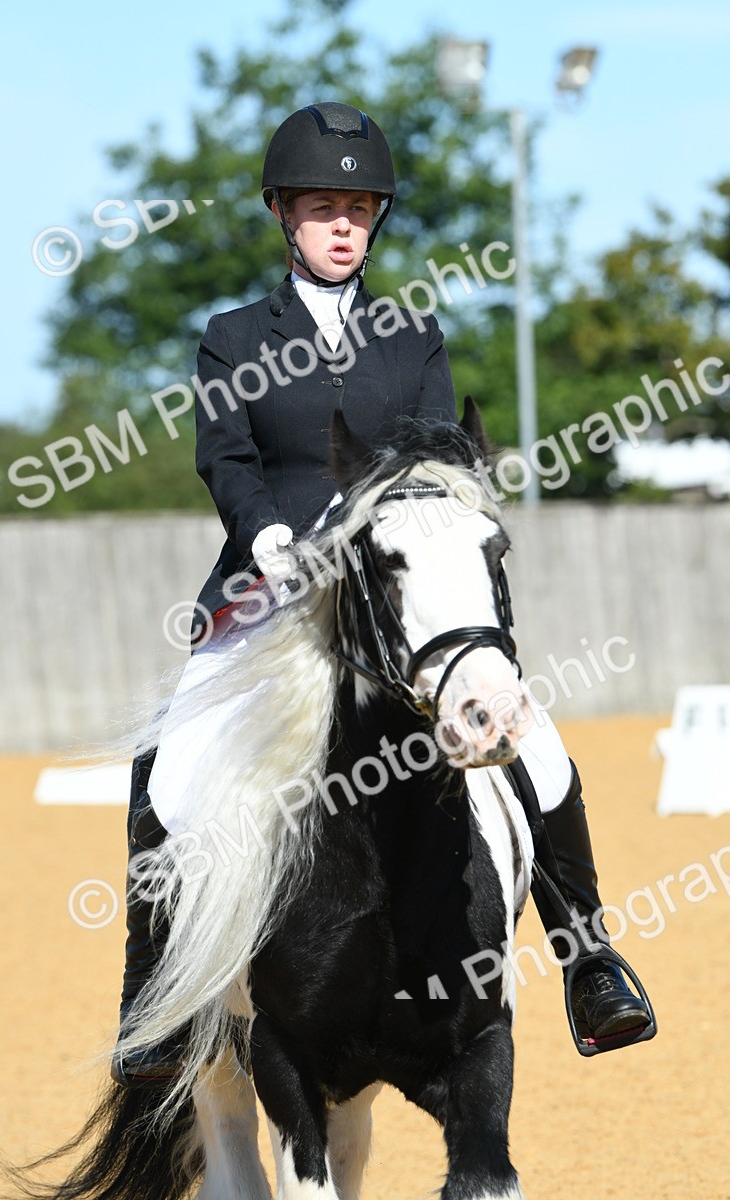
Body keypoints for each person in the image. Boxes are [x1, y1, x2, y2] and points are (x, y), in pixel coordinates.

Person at [111, 102, 651, 1087]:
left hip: (396, 596)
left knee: (537, 746)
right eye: (324, 209)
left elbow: (438, 456)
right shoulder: (233, 336)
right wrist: (268, 538)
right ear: (283, 215)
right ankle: (150, 995)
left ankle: (589, 957)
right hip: (270, 588)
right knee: (169, 759)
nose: (343, 226)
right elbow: (224, 456)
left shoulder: (412, 335)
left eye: (358, 210)